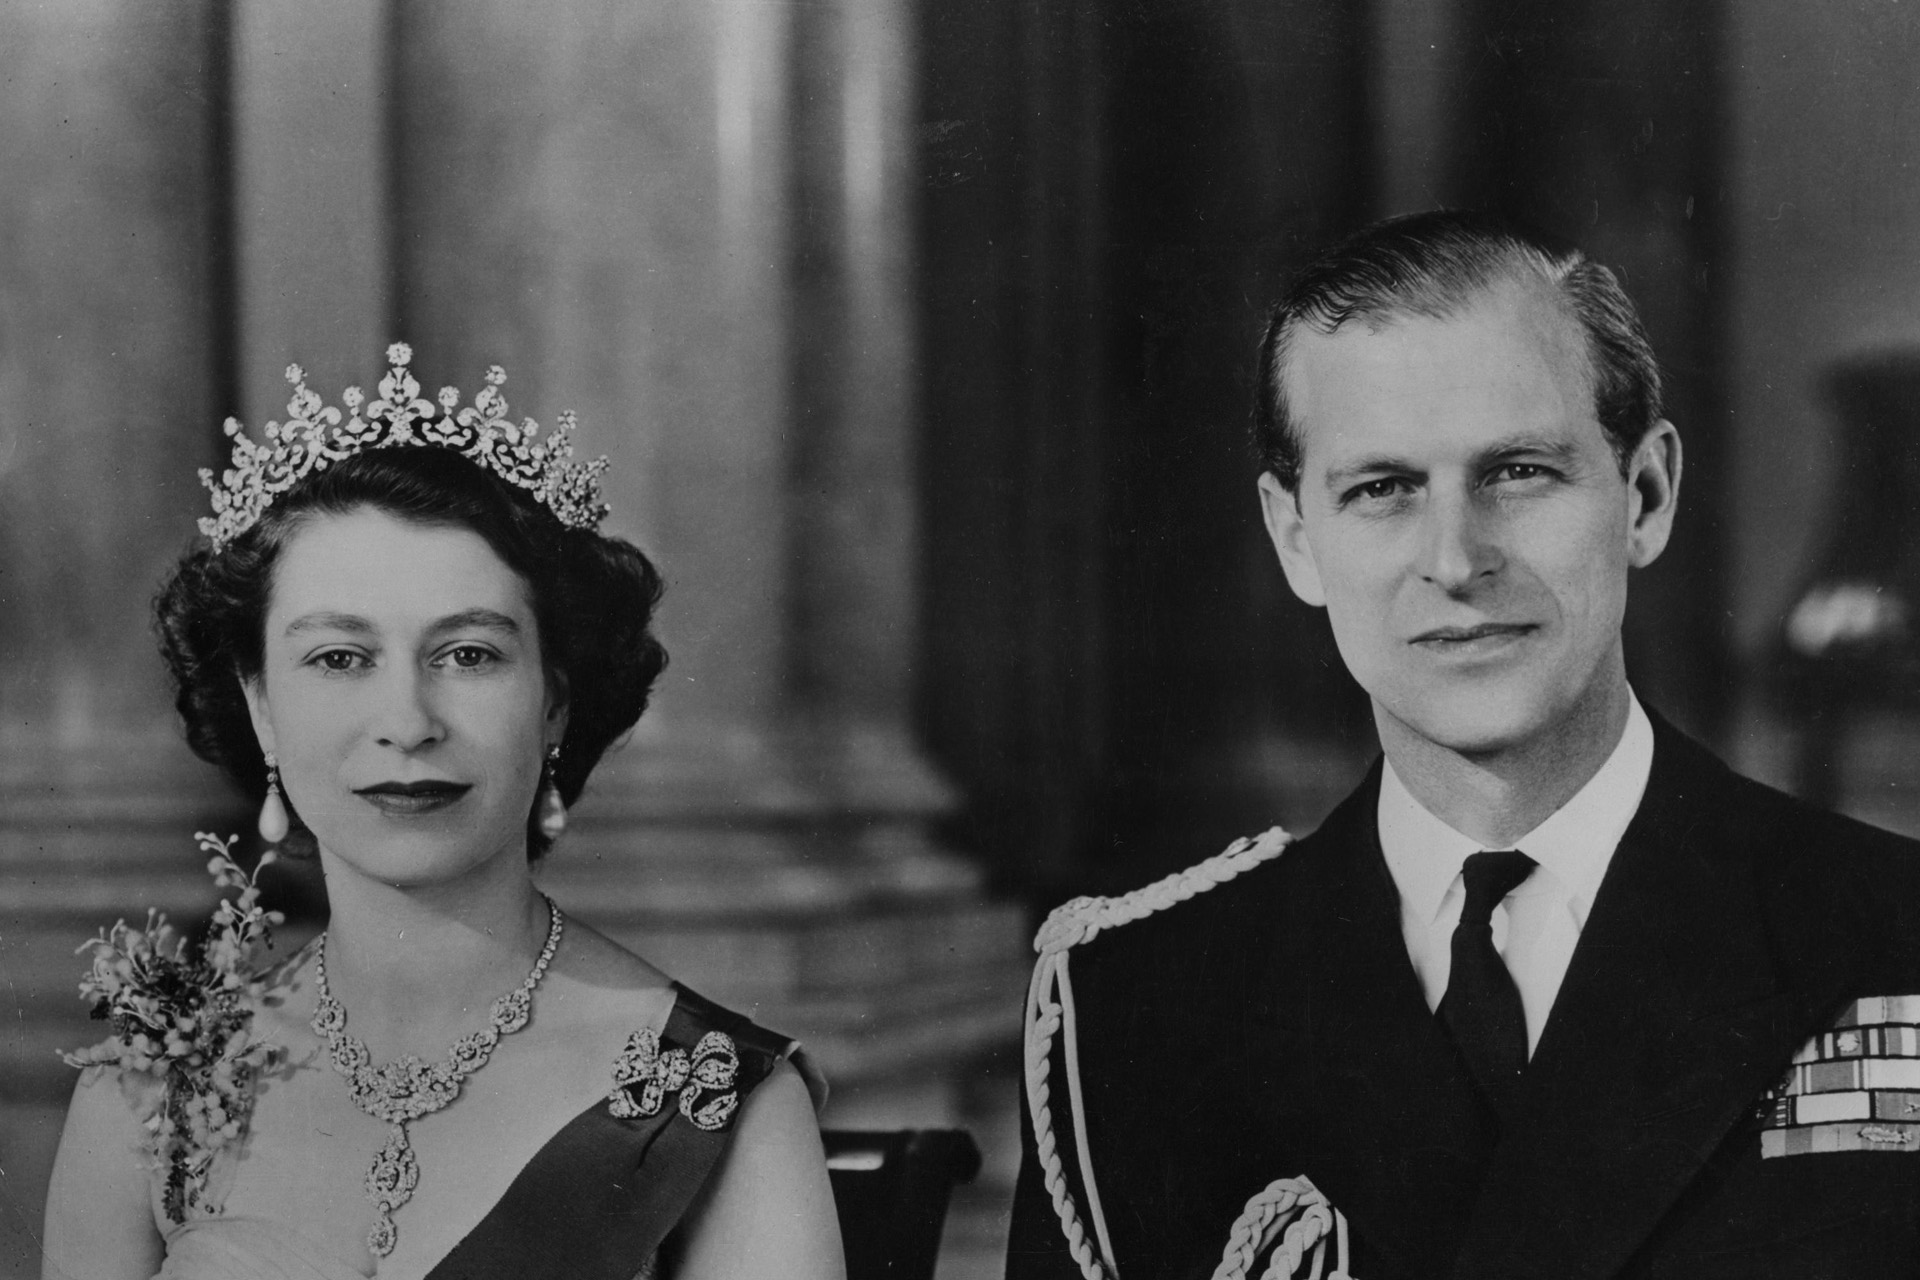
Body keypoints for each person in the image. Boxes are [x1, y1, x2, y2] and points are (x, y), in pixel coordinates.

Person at [1007, 212, 1920, 1280]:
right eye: (1381, 488)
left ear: (1646, 496)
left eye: (1521, 470)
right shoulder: (1139, 1005)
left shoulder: (1887, 940)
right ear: (1296, 536)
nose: (1456, 558)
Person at [42, 347, 845, 1280]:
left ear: (556, 701)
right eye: (340, 658)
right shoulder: (150, 1091)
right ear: (260, 704)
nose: (407, 724)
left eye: (468, 655)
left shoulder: (718, 1102)